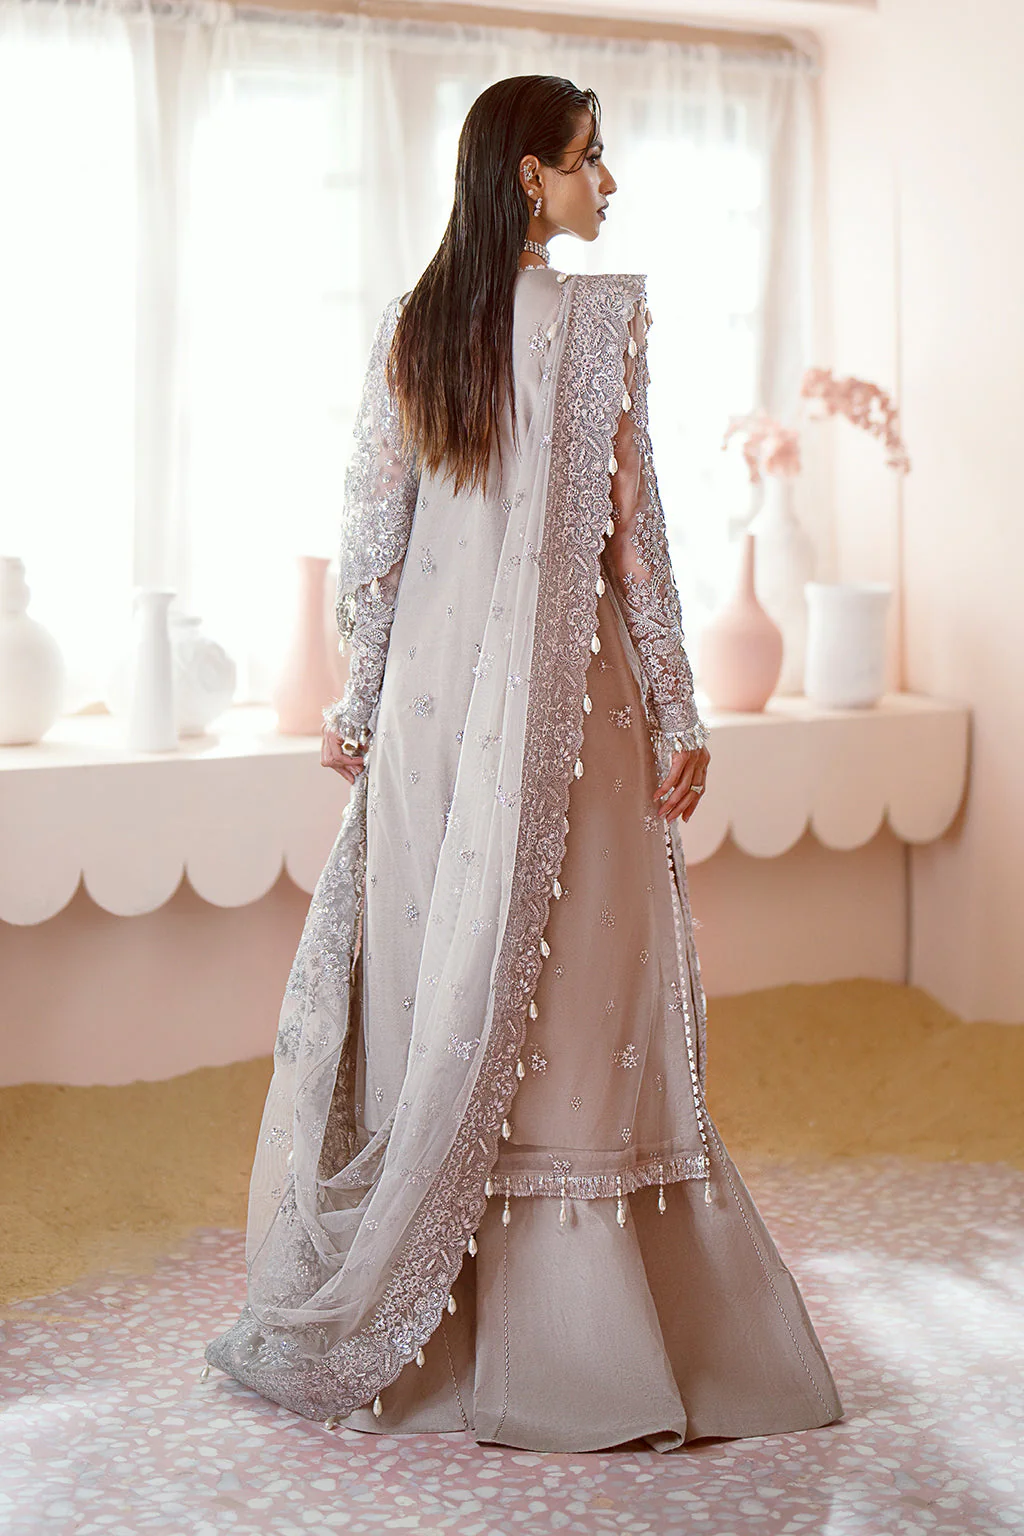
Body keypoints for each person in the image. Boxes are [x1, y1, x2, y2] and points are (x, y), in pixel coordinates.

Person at [205, 74, 843, 1454]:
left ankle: (444, 1320)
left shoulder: (416, 325)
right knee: (572, 984)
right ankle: (586, 1343)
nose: (607, 184)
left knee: (440, 977)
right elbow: (637, 537)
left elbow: (374, 538)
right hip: (568, 712)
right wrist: (677, 709)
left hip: (433, 714)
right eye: (588, 159)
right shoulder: (593, 323)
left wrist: (361, 704)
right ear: (527, 178)